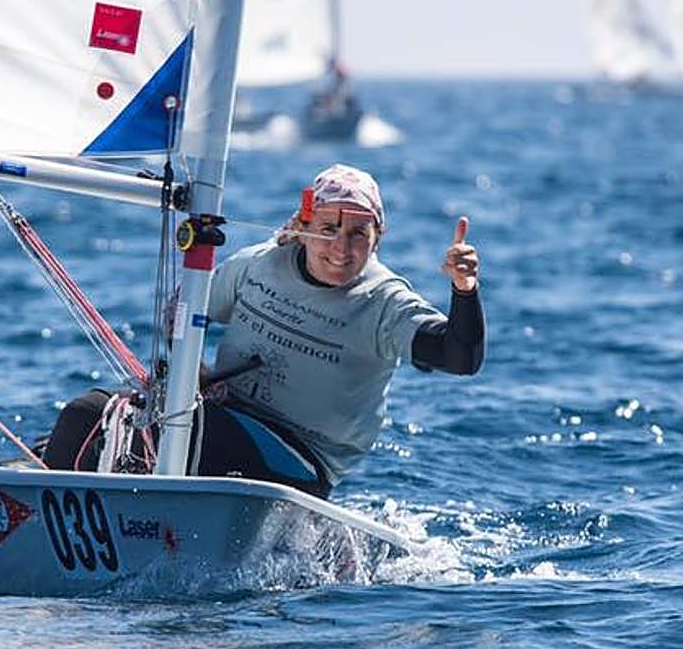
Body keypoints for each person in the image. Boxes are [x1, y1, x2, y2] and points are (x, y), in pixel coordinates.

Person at [42, 164, 484, 498]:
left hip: (301, 459)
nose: (341, 248)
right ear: (303, 226)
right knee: (88, 413)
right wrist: (187, 365)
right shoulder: (259, 265)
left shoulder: (384, 302)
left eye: (358, 234)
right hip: (221, 419)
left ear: (378, 237)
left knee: (188, 432)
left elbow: (460, 358)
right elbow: (183, 308)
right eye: (329, 229)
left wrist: (464, 290)